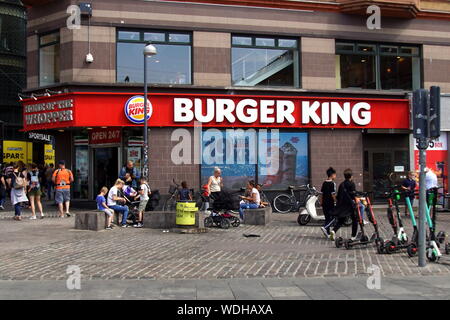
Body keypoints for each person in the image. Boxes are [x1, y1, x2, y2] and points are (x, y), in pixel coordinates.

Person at [329, 169, 358, 241]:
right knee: (355, 220)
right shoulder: (352, 184)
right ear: (351, 176)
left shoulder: (341, 184)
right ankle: (353, 236)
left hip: (342, 205)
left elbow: (338, 196)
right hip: (350, 206)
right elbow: (353, 195)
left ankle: (333, 231)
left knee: (341, 220)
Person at [320, 167, 337, 238]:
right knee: (334, 217)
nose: (335, 176)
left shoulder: (324, 183)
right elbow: (333, 194)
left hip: (324, 203)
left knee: (327, 217)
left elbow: (322, 194)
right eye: (335, 175)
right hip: (330, 203)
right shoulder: (332, 184)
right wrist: (336, 201)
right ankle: (325, 227)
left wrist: (321, 202)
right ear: (332, 175)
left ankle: (327, 232)